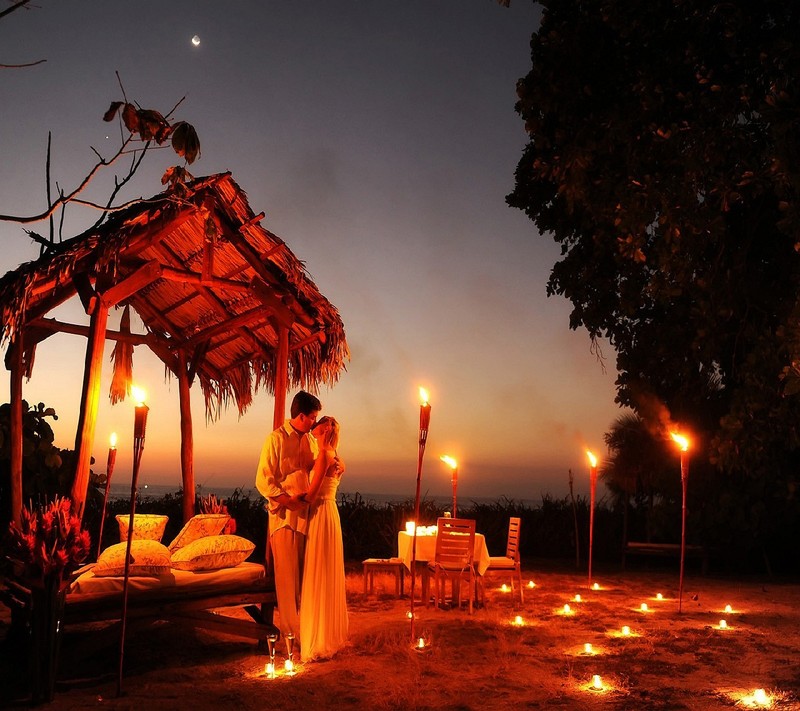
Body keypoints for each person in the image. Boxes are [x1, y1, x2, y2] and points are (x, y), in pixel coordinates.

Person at [255, 390, 321, 642]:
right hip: (284, 516)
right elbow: (263, 479)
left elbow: (314, 469)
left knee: (304, 574)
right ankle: (290, 633)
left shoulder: (311, 440)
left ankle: (305, 629)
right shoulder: (276, 439)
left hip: (307, 515)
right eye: (312, 417)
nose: (314, 422)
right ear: (301, 415)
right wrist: (286, 500)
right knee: (286, 577)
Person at [299, 416, 349, 661]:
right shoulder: (335, 455)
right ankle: (327, 632)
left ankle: (319, 637)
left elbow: (312, 493)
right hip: (331, 513)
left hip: (321, 513)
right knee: (326, 570)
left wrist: (284, 501)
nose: (313, 426)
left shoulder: (325, 455)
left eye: (317, 423)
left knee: (319, 569)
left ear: (325, 429)